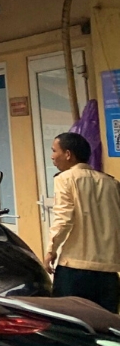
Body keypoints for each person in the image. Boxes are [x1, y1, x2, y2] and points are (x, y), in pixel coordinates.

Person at [46, 132, 120, 311]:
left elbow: (63, 218)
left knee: (69, 327)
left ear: (68, 154)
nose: (52, 156)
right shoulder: (112, 183)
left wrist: (51, 250)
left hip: (74, 270)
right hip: (109, 273)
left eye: (55, 150)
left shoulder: (65, 179)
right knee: (106, 329)